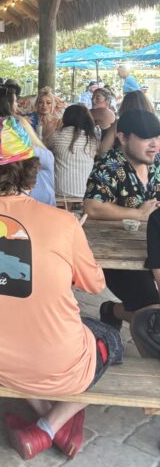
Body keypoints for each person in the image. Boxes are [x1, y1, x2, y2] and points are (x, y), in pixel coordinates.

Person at [0, 115, 122, 460]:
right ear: (31, 168)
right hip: (58, 360)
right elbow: (95, 284)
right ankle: (50, 426)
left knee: (5, 336)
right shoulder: (63, 223)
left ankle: (47, 415)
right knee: (110, 339)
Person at [83, 110, 160, 329]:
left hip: (153, 249)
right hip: (119, 256)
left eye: (157, 137)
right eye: (145, 137)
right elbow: (92, 207)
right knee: (151, 312)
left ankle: (114, 311)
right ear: (123, 138)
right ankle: (112, 311)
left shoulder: (157, 163)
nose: (154, 144)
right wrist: (138, 214)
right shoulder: (109, 165)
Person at [48, 105, 98, 198]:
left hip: (59, 192)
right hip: (85, 193)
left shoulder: (57, 135)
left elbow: (45, 151)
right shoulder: (92, 139)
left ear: (65, 118)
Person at [98, 89, 154, 155]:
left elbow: (103, 150)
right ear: (147, 105)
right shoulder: (154, 124)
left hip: (123, 160)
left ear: (124, 106)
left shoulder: (118, 124)